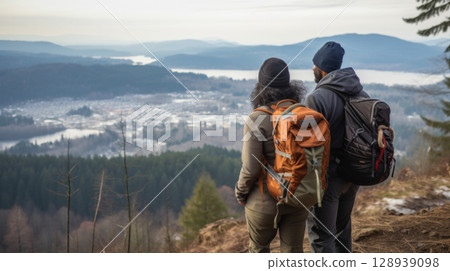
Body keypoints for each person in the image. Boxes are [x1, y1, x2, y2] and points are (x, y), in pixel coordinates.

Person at [235, 57, 308, 253]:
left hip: (264, 202)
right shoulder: (303, 114)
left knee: (259, 250)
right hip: (298, 196)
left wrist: (241, 193)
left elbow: (251, 168)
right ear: (290, 85)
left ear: (261, 87)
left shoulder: (257, 118)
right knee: (293, 254)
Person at [305, 41, 369, 253]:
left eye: (314, 65)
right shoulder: (362, 95)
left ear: (321, 68)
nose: (312, 69)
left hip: (329, 177)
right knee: (342, 230)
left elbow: (309, 144)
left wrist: (309, 182)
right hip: (354, 174)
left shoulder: (316, 98)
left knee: (322, 235)